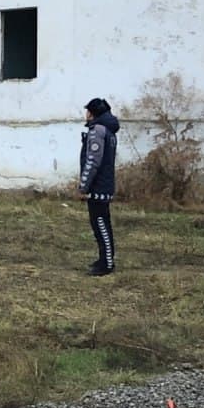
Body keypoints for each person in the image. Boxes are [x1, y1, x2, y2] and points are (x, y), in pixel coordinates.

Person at [78, 98, 120, 276]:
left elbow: (92, 161)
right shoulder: (108, 131)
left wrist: (83, 186)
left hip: (98, 188)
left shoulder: (98, 131)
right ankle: (104, 258)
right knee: (102, 224)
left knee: (100, 224)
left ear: (93, 113)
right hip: (104, 185)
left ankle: (107, 263)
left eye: (88, 111)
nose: (86, 115)